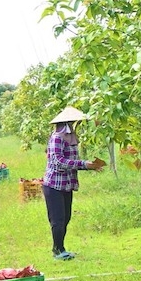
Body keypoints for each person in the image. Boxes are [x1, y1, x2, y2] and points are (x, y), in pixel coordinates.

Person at [42, 106, 103, 260]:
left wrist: (89, 166)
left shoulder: (70, 138)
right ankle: (58, 250)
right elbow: (58, 162)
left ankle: (61, 248)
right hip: (54, 185)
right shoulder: (57, 137)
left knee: (66, 217)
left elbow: (72, 162)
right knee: (58, 220)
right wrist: (84, 164)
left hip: (66, 184)